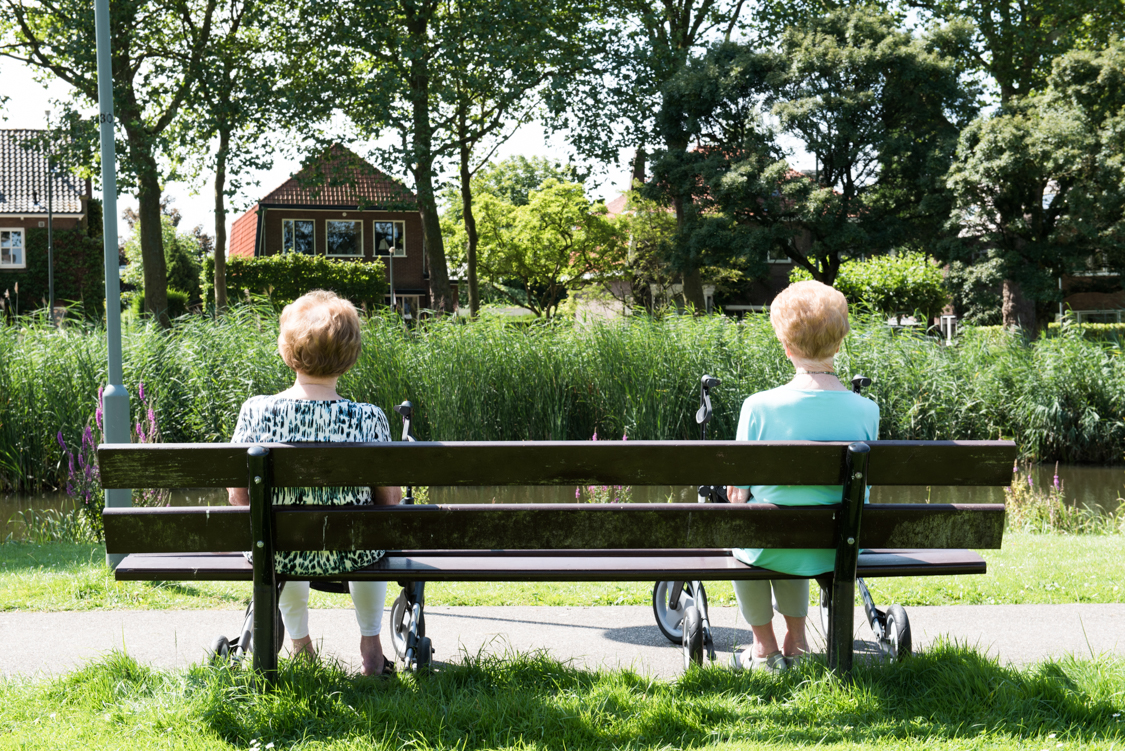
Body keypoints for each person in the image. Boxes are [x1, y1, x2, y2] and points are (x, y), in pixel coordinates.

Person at [227, 290, 401, 676]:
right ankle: (371, 648)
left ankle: (301, 645)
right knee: (371, 534)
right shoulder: (369, 418)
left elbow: (239, 496)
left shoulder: (255, 411)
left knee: (274, 541)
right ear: (350, 355)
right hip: (355, 551)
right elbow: (388, 503)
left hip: (277, 551)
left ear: (288, 350)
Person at [727, 280, 879, 672]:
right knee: (795, 524)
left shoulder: (758, 407)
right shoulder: (866, 411)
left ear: (786, 345)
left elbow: (738, 496)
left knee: (756, 529)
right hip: (837, 547)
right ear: (839, 342)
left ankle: (764, 648)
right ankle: (797, 641)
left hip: (773, 545)